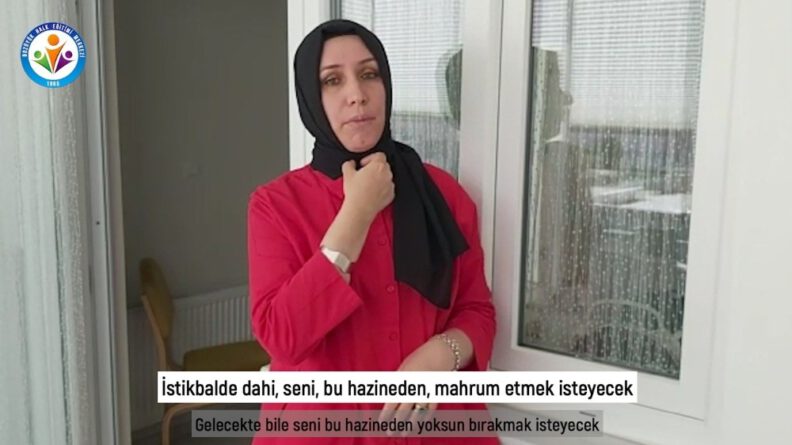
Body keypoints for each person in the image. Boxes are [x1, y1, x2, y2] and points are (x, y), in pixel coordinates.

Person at [247, 19, 498, 444]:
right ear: (311, 97)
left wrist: (442, 355)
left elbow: (477, 310)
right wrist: (357, 213)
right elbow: (282, 337)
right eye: (332, 80)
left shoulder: (444, 195)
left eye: (369, 74)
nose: (357, 94)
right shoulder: (275, 206)